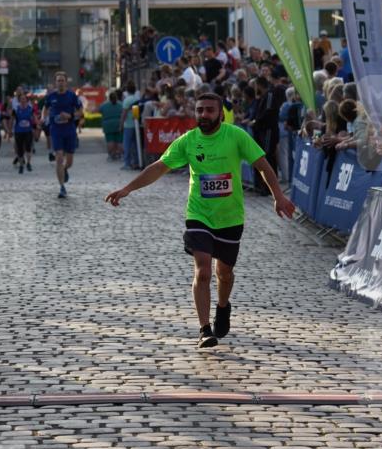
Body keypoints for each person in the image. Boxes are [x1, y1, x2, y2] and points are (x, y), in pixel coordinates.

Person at [105, 90, 295, 349]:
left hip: (230, 215)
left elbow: (263, 165)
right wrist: (128, 188)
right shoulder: (188, 140)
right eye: (199, 110)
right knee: (203, 270)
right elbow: (159, 167)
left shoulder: (236, 135)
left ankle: (223, 306)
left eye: (209, 110)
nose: (203, 115)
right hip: (198, 214)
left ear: (220, 113)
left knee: (224, 273)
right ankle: (205, 329)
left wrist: (279, 197)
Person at [41, 71, 83, 198]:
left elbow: (80, 112)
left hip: (69, 130)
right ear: (55, 82)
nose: (60, 82)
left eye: (62, 80)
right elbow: (45, 108)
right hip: (56, 130)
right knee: (59, 157)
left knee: (69, 162)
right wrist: (44, 118)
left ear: (66, 82)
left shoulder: (72, 96)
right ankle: (62, 187)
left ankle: (65, 170)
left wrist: (70, 115)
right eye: (58, 80)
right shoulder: (51, 96)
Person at [12, 90, 36, 173]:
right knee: (20, 149)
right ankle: (21, 165)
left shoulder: (30, 108)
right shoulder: (16, 109)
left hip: (28, 130)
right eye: (21, 99)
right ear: (19, 100)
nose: (23, 100)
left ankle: (28, 163)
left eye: (24, 99)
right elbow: (12, 119)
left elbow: (33, 118)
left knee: (28, 147)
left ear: (27, 100)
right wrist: (10, 130)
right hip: (18, 131)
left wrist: (36, 125)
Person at [120, 81, 141, 171]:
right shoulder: (137, 98)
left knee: (127, 145)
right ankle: (136, 162)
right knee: (135, 145)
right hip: (136, 126)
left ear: (127, 91)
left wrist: (120, 125)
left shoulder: (127, 100)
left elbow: (124, 114)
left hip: (128, 125)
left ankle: (127, 163)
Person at [99, 91, 123, 161]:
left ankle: (111, 155)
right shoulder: (120, 104)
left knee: (110, 140)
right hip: (118, 123)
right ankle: (120, 154)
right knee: (119, 141)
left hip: (108, 125)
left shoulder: (104, 105)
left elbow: (99, 110)